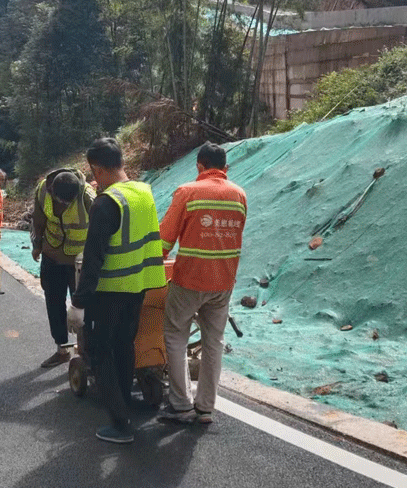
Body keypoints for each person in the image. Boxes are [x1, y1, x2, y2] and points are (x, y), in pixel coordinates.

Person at [67, 137, 166, 444]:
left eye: (94, 172)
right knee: (125, 345)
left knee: (100, 352)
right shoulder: (143, 192)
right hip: (138, 286)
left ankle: (120, 425)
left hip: (109, 291)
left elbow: (94, 258)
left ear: (97, 169)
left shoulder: (107, 202)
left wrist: (79, 304)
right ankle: (124, 403)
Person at [157, 142, 247, 425]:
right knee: (214, 342)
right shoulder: (239, 195)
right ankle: (205, 408)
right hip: (223, 282)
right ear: (225, 168)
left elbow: (164, 241)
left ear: (199, 166)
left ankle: (181, 405)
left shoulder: (188, 192)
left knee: (175, 335)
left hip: (189, 281)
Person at [31, 169, 96, 368]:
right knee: (53, 303)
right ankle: (62, 349)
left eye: (70, 202)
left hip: (80, 261)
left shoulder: (87, 196)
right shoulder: (43, 190)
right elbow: (38, 219)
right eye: (62, 202)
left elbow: (102, 226)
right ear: (52, 190)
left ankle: (88, 350)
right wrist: (37, 245)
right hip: (52, 256)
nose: (66, 206)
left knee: (84, 307)